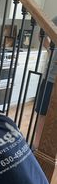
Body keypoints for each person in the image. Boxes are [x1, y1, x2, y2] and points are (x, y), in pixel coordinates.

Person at [34, 16, 57, 150]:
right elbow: (42, 32)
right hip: (51, 77)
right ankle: (37, 146)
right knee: (42, 112)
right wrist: (50, 50)